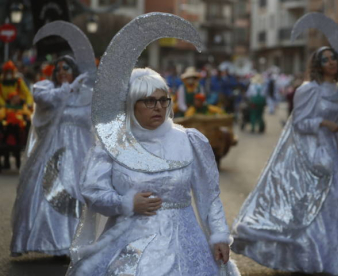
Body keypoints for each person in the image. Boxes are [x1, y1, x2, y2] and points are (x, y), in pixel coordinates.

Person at [67, 68, 238, 275]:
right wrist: (126, 203)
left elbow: (209, 194)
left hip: (183, 243)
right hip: (128, 244)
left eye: (163, 100)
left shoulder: (187, 140)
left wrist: (219, 235)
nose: (158, 107)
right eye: (149, 101)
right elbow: (93, 192)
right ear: (131, 105)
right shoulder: (113, 145)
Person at [231, 47, 338, 275]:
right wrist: (323, 124)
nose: (331, 62)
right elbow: (299, 123)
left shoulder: (337, 90)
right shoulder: (309, 89)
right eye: (325, 59)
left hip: (330, 154)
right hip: (308, 156)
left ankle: (327, 258)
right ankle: (304, 258)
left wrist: (336, 138)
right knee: (307, 206)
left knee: (334, 204)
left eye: (334, 57)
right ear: (318, 65)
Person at [10, 55, 94, 256]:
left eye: (67, 67)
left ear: (74, 70)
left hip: (80, 151)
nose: (62, 71)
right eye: (58, 69)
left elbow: (94, 120)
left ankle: (75, 242)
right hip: (52, 149)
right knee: (47, 190)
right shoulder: (47, 88)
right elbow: (43, 99)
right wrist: (69, 88)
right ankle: (51, 241)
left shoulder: (88, 94)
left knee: (78, 192)